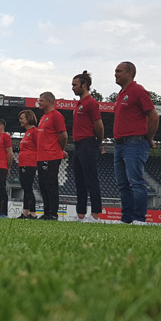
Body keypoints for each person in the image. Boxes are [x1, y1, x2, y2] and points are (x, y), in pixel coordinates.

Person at [113, 62, 159, 225]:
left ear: (129, 73)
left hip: (134, 142)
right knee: (123, 184)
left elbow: (153, 115)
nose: (115, 74)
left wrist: (149, 138)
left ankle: (139, 218)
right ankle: (126, 219)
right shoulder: (121, 94)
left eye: (119, 71)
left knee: (135, 182)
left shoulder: (138, 91)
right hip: (119, 144)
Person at [71, 71, 104, 222]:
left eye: (75, 85)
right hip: (78, 145)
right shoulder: (79, 104)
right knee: (79, 181)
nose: (72, 88)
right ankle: (81, 214)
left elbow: (99, 125)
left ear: (84, 85)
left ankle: (96, 215)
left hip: (88, 143)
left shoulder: (91, 103)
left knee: (91, 180)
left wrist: (98, 143)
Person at [37, 92, 68, 221]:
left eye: (41, 100)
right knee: (43, 185)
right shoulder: (44, 117)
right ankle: (46, 212)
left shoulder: (56, 116)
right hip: (41, 156)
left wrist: (59, 150)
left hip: (51, 155)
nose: (39, 102)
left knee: (51, 184)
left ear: (49, 101)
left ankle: (53, 213)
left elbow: (63, 135)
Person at [17, 110, 38, 219]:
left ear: (29, 118)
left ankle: (32, 212)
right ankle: (25, 211)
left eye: (22, 118)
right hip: (23, 163)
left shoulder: (34, 131)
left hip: (30, 163)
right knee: (25, 187)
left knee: (28, 188)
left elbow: (41, 145)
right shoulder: (27, 132)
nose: (20, 121)